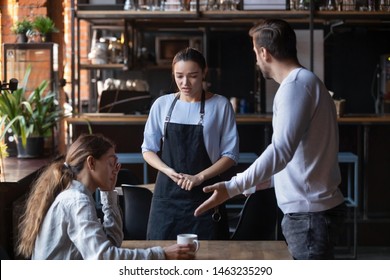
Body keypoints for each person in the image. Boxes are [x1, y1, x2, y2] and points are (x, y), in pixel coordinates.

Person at [194, 19, 346, 260]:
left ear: (264, 52)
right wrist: (256, 184)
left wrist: (234, 186)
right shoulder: (306, 82)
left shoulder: (295, 86)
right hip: (313, 213)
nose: (255, 60)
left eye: (255, 53)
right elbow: (298, 159)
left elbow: (280, 151)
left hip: (308, 217)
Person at [17, 134, 194, 260]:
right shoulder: (76, 201)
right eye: (111, 163)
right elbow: (102, 258)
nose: (114, 169)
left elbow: (112, 243)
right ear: (91, 163)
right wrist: (161, 254)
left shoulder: (78, 195)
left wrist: (109, 192)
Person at [142, 47, 239, 240]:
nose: (185, 83)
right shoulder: (162, 104)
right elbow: (148, 149)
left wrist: (199, 177)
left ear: (204, 73)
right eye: (179, 76)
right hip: (167, 198)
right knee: (161, 257)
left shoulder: (220, 105)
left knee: (211, 256)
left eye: (193, 76)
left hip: (206, 195)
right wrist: (167, 170)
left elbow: (230, 155)